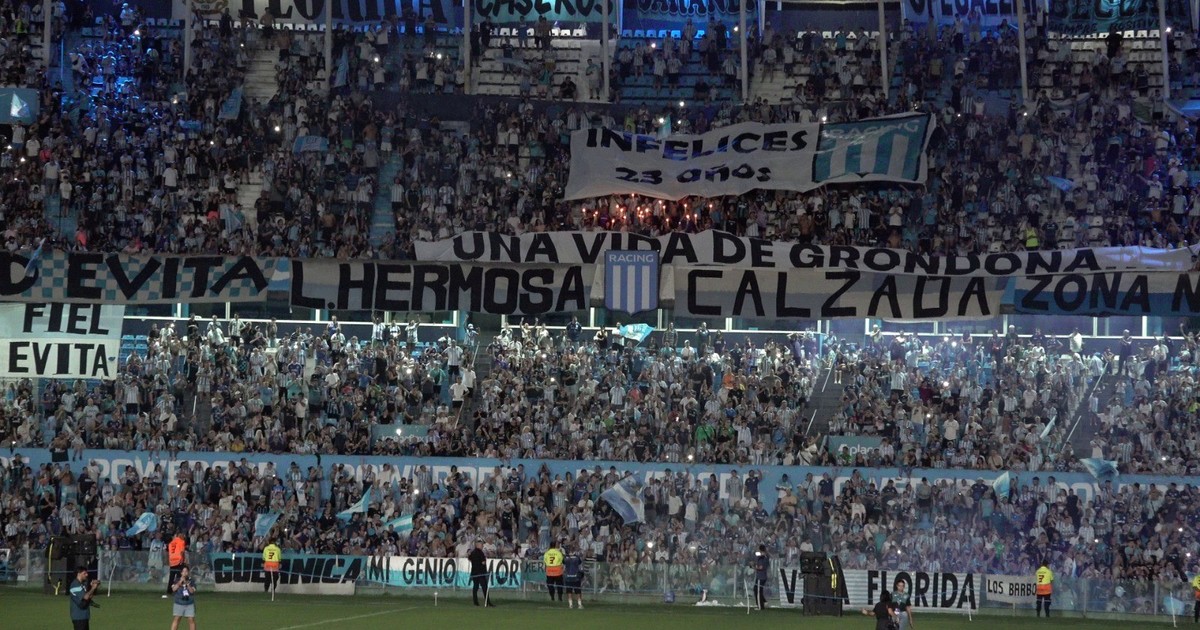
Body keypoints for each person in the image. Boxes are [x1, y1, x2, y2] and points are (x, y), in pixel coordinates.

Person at [170, 565, 197, 630]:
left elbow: (192, 591)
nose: (185, 573)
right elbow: (173, 589)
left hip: (189, 603)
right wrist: (180, 582)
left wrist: (187, 584)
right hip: (179, 603)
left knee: (191, 619)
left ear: (188, 572)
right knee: (177, 618)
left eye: (186, 571)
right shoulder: (176, 580)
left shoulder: (191, 581)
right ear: (181, 572)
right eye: (183, 571)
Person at [468, 540, 494, 607]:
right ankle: (487, 602)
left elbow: (469, 558)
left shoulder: (473, 552)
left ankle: (475, 602)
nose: (482, 546)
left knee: (475, 587)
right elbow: (483, 562)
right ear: (478, 545)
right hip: (480, 573)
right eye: (481, 545)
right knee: (484, 587)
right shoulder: (480, 553)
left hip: (474, 572)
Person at [563, 545, 585, 609]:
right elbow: (580, 565)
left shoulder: (566, 558)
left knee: (569, 591)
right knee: (578, 591)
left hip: (568, 577)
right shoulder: (577, 558)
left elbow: (563, 564)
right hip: (576, 577)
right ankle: (579, 605)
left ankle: (570, 605)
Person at [165, 533, 186, 598]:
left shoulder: (170, 543)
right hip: (179, 561)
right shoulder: (181, 541)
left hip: (172, 561)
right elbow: (182, 552)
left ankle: (169, 591)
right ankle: (178, 591)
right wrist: (183, 560)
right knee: (179, 577)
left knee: (171, 577)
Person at [751, 544, 769, 610]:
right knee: (757, 589)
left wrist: (753, 567)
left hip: (761, 577)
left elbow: (761, 567)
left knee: (758, 591)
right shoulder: (763, 557)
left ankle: (760, 606)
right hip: (760, 576)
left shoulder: (763, 558)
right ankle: (763, 602)